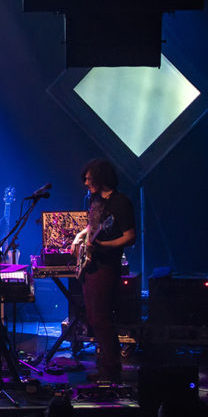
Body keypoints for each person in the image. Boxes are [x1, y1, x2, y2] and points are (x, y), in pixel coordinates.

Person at [71, 158, 135, 383]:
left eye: (89, 179)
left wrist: (103, 245)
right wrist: (80, 235)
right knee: (93, 317)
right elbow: (94, 225)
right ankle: (104, 366)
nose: (86, 183)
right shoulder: (97, 200)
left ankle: (111, 370)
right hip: (91, 265)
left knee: (102, 318)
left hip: (107, 266)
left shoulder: (121, 203)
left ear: (101, 178)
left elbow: (130, 236)